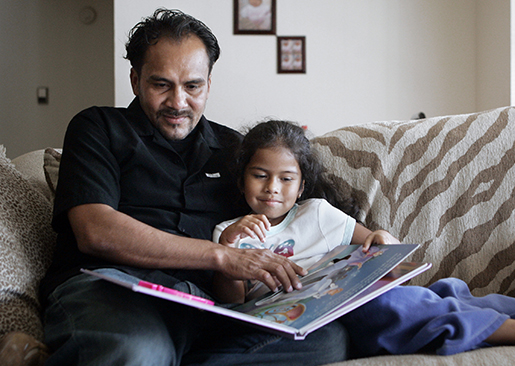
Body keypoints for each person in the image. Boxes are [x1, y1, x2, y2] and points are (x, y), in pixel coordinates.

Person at [40, 8, 348, 366]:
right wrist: (221, 255)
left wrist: (361, 248)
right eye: (161, 85)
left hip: (203, 306)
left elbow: (286, 217)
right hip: (111, 291)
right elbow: (96, 231)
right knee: (141, 351)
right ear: (135, 80)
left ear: (208, 85)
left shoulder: (236, 149)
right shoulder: (98, 128)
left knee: (325, 342)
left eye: (192, 86)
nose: (178, 102)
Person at [213, 119, 515, 360]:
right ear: (241, 177)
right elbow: (232, 306)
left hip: (356, 296)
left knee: (450, 294)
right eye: (260, 175)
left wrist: (382, 241)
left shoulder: (315, 213)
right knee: (403, 307)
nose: (272, 188)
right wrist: (230, 248)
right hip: (316, 322)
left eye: (286, 179)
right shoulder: (226, 233)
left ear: (301, 186)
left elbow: (373, 240)